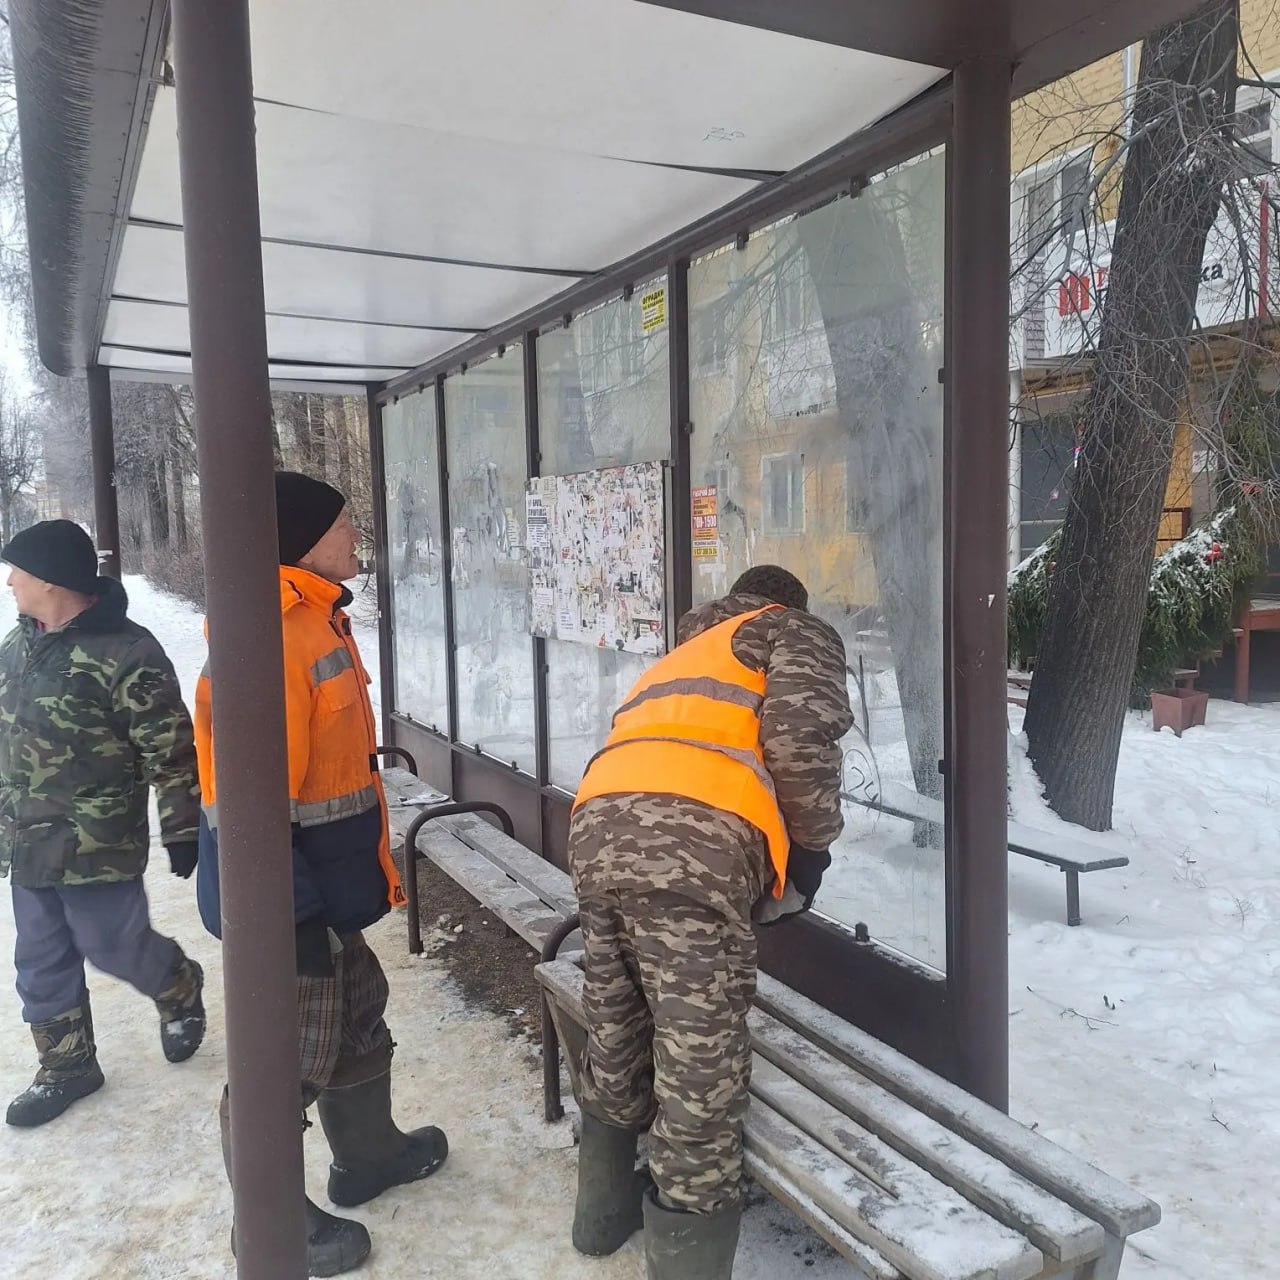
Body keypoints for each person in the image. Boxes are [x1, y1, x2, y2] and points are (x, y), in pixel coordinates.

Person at [567, 564, 854, 1279]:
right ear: (787, 603)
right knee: (701, 1056)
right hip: (689, 850)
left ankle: (600, 1212)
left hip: (598, 824)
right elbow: (796, 741)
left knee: (617, 1018)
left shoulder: (687, 651)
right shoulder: (794, 630)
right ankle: (686, 1257)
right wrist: (811, 849)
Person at [194, 471, 447, 1276]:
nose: (354, 541)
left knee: (359, 1014)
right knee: (283, 1056)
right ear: (301, 537)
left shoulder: (314, 621)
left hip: (326, 898)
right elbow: (245, 802)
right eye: (343, 527)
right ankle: (271, 1224)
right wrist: (289, 917)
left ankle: (367, 1156)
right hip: (288, 909)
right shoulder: (268, 635)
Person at [0, 520, 206, 1128]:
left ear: (51, 581)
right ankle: (67, 1066)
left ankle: (177, 986)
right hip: (28, 841)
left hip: (98, 842)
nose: (10, 581)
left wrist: (182, 827)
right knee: (39, 958)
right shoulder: (16, 647)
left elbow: (169, 750)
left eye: (18, 571)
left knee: (114, 946)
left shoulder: (127, 651)